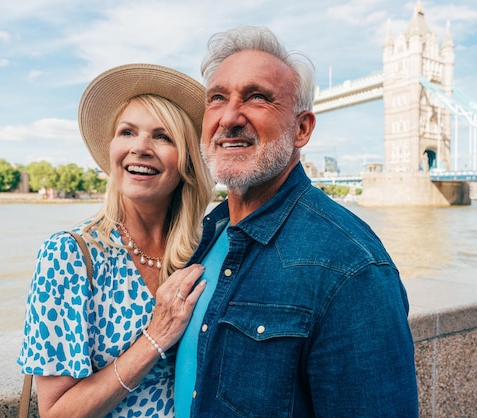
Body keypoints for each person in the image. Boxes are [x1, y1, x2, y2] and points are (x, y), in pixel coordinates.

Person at [174, 26, 419, 417]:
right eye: (217, 98)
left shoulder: (352, 267)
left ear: (302, 128)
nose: (230, 117)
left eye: (257, 98)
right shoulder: (210, 233)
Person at [18, 63, 214, 417]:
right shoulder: (68, 255)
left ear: (187, 163)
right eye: (127, 132)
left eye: (162, 136)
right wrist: (155, 338)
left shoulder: (205, 248)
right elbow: (55, 413)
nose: (140, 147)